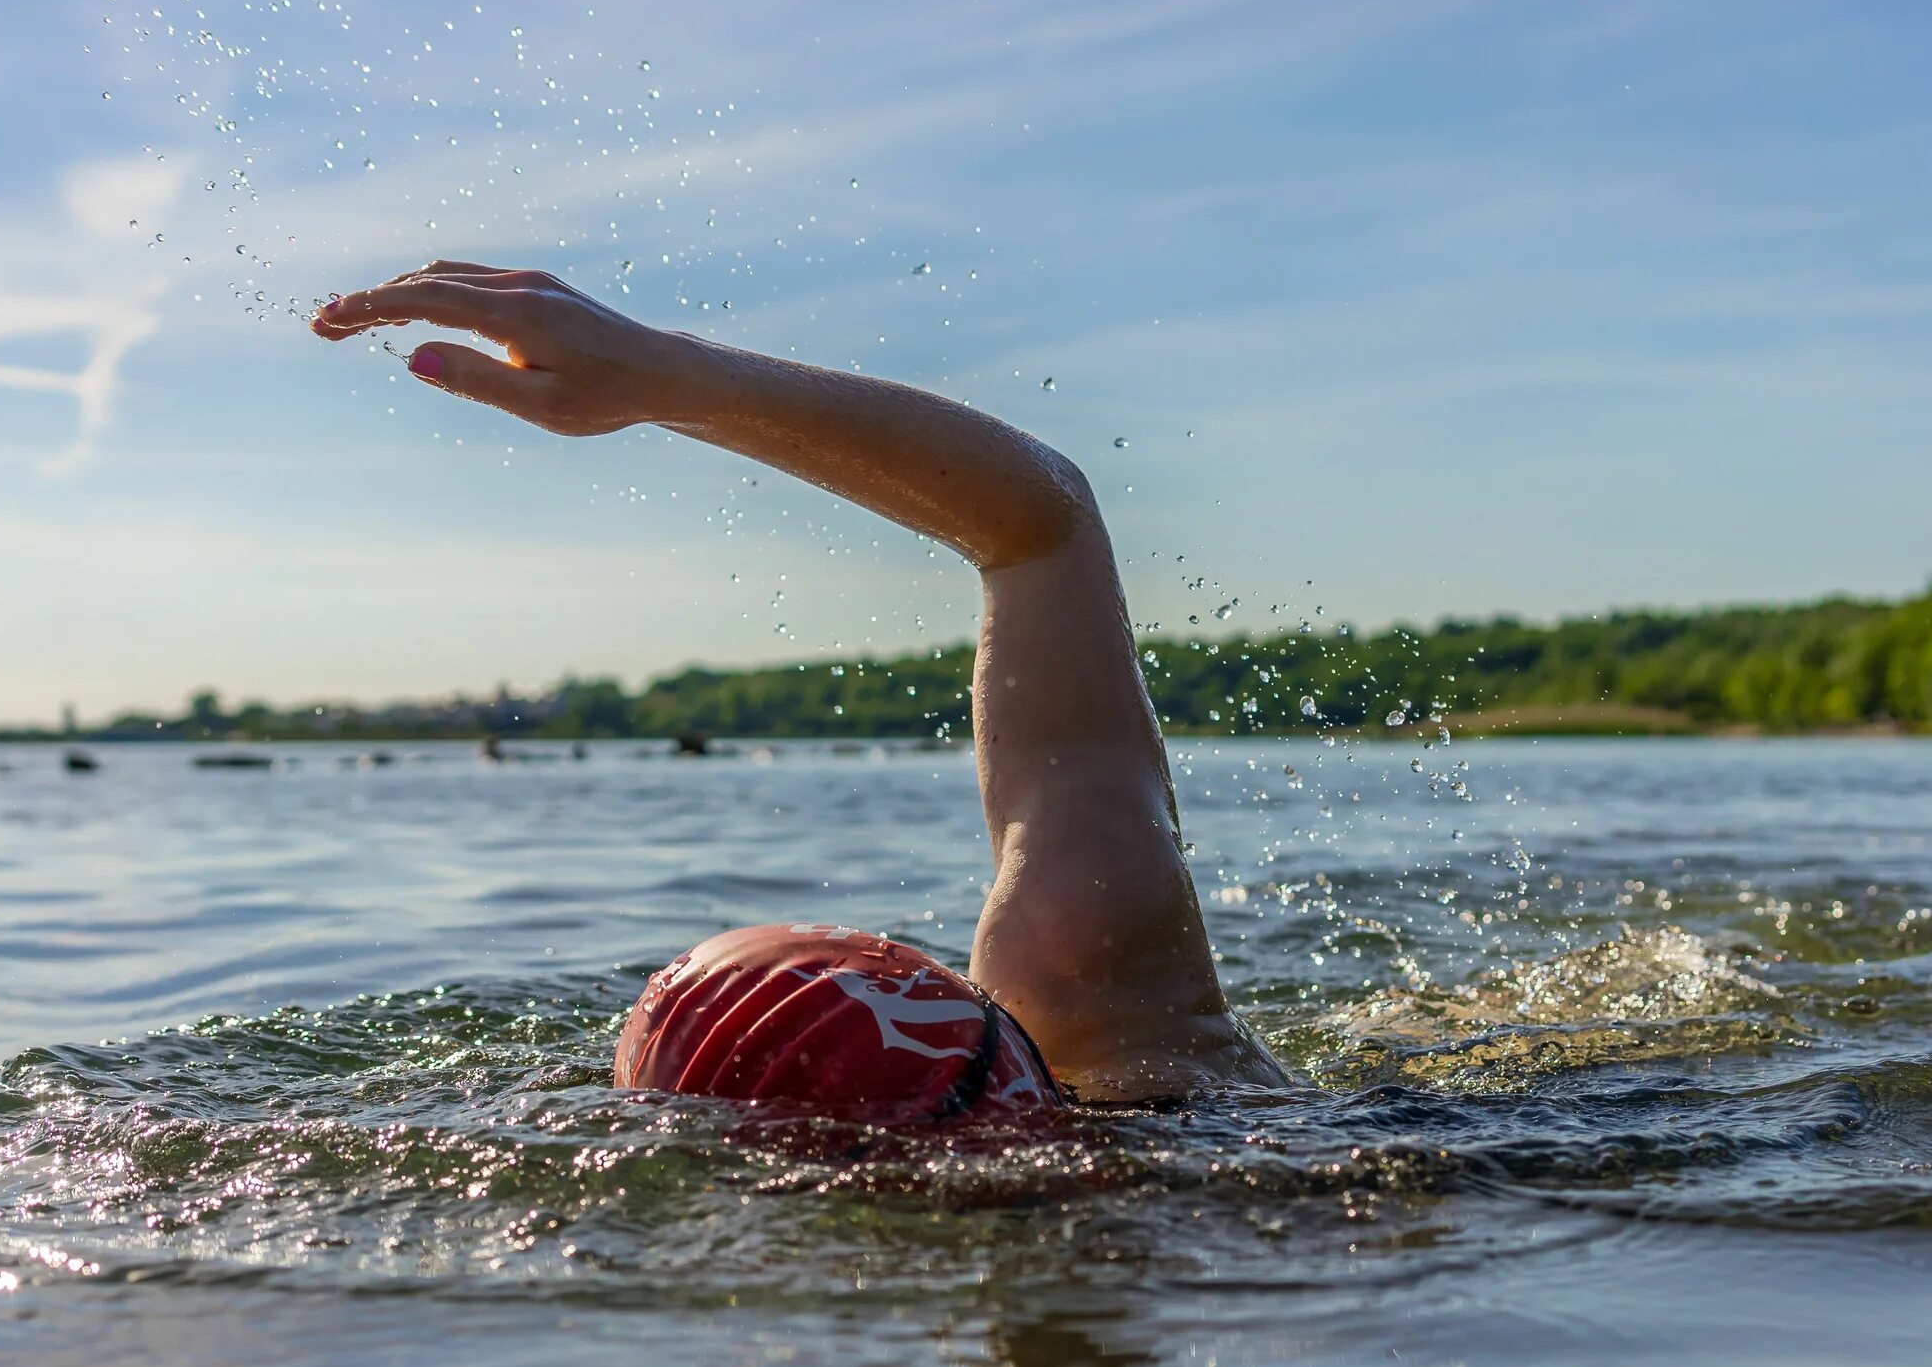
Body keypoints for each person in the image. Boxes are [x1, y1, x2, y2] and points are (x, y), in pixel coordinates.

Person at [313, 264, 1290, 1110]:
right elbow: (1043, 525)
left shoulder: (1115, 1028)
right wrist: (665, 375)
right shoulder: (1113, 1013)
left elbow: (1043, 533)